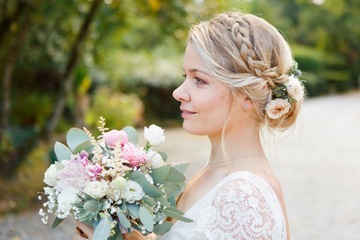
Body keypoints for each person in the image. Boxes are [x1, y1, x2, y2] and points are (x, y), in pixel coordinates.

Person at [75, 11, 305, 240]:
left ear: (246, 96)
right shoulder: (215, 172)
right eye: (185, 75)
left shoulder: (243, 197)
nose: (178, 92)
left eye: (200, 80)